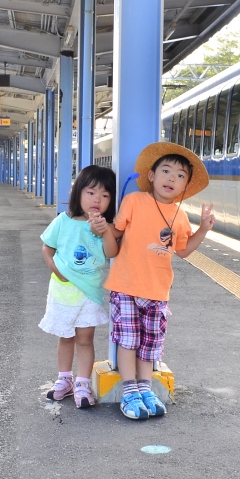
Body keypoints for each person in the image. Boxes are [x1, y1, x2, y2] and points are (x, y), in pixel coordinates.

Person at [103, 142, 215, 420]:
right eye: (166, 171)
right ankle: (129, 390)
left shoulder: (180, 216)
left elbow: (184, 250)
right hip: (126, 284)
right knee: (128, 340)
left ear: (185, 186)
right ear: (151, 176)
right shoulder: (134, 201)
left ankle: (145, 388)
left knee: (149, 344)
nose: (171, 179)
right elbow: (115, 233)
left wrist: (203, 229)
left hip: (158, 290)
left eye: (180, 176)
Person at [41, 165, 118, 409]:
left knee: (85, 339)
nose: (97, 199)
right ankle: (65, 380)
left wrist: (104, 231)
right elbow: (47, 248)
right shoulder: (62, 221)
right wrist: (56, 271)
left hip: (89, 293)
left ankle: (83, 383)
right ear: (78, 194)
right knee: (66, 337)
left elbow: (111, 252)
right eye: (91, 192)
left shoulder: (104, 226)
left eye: (105, 196)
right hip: (63, 291)